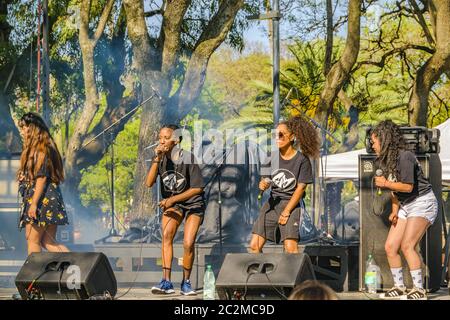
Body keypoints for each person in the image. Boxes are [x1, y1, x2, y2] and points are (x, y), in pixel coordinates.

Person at [372, 120, 438, 300]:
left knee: (407, 245)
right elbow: (395, 191)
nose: (372, 145)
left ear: (384, 140)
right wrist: (394, 210)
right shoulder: (387, 161)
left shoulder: (404, 156)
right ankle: (399, 287)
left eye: (375, 141)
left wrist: (385, 183)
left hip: (422, 201)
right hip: (406, 205)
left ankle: (419, 289)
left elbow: (407, 187)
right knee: (390, 247)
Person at [146, 124, 205, 296]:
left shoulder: (188, 157)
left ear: (176, 140)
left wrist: (171, 199)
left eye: (166, 138)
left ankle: (186, 282)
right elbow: (149, 183)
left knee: (188, 243)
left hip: (193, 202)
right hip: (175, 204)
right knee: (166, 235)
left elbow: (197, 188)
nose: (161, 141)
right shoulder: (160, 158)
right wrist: (156, 159)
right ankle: (166, 281)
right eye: (160, 137)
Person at [249, 116, 320, 253]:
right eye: (275, 135)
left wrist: (286, 212)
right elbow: (265, 179)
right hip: (273, 204)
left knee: (290, 248)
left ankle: (294, 274)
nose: (277, 138)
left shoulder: (302, 160)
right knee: (254, 246)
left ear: (292, 137)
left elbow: (300, 189)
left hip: (291, 205)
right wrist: (263, 185)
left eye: (281, 135)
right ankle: (260, 274)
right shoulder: (271, 157)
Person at [17, 112, 70, 256]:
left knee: (33, 241)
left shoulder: (40, 149)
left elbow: (41, 178)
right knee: (48, 242)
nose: (22, 132)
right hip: (50, 198)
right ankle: (76, 267)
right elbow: (40, 175)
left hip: (41, 200)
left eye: (24, 128)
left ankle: (34, 277)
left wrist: (34, 204)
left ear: (32, 128)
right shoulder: (47, 146)